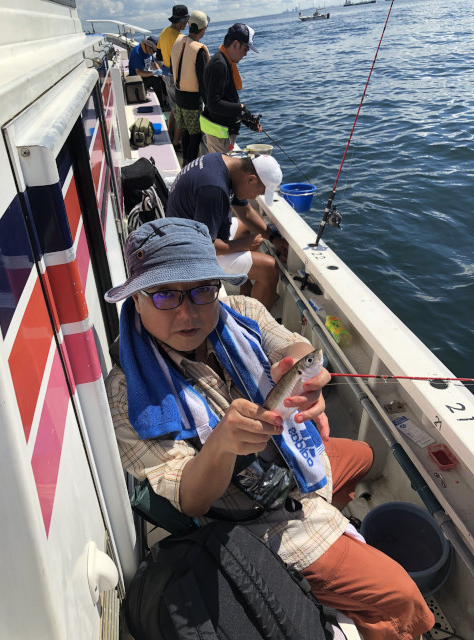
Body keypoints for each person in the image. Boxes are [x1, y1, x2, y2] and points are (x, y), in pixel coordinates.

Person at [104, 218, 434, 640]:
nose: (187, 312)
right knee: (402, 596)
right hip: (254, 518)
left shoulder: (242, 312)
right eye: (165, 294)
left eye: (202, 290)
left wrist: (306, 377)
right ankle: (328, 583)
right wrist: (221, 446)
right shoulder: (127, 395)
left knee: (365, 457)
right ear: (136, 299)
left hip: (290, 464)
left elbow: (295, 347)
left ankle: (331, 544)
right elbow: (191, 499)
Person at [165, 152, 286, 311]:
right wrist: (244, 244)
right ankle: (256, 324)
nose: (255, 197)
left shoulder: (223, 165)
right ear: (251, 179)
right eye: (258, 192)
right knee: (269, 269)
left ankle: (245, 290)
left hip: (189, 234)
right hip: (188, 253)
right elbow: (205, 246)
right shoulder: (213, 188)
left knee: (245, 227)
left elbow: (246, 213)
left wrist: (274, 238)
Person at [202, 23, 263, 153]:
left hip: (223, 132)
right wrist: (240, 108)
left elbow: (227, 99)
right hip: (220, 135)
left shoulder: (224, 61)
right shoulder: (219, 65)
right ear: (235, 44)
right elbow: (213, 104)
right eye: (246, 49)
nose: (245, 54)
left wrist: (246, 119)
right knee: (221, 165)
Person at [170, 10, 210, 166]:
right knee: (195, 135)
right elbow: (203, 83)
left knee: (185, 131)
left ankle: (185, 162)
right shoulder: (199, 50)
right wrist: (210, 106)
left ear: (189, 24)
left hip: (178, 96)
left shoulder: (178, 41)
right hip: (192, 100)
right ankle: (190, 167)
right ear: (203, 29)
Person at [156, 5, 190, 150]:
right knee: (180, 112)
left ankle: (170, 136)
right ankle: (176, 143)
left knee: (174, 108)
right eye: (186, 21)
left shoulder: (164, 32)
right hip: (175, 76)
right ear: (180, 21)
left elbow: (158, 55)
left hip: (166, 74)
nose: (186, 24)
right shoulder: (179, 38)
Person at [128, 35, 167, 109]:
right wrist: (153, 73)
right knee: (156, 81)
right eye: (153, 51)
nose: (153, 53)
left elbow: (153, 63)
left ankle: (165, 100)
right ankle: (161, 105)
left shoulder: (149, 51)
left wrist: (161, 73)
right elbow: (138, 72)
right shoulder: (136, 53)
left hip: (145, 75)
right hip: (137, 80)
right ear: (148, 46)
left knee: (162, 79)